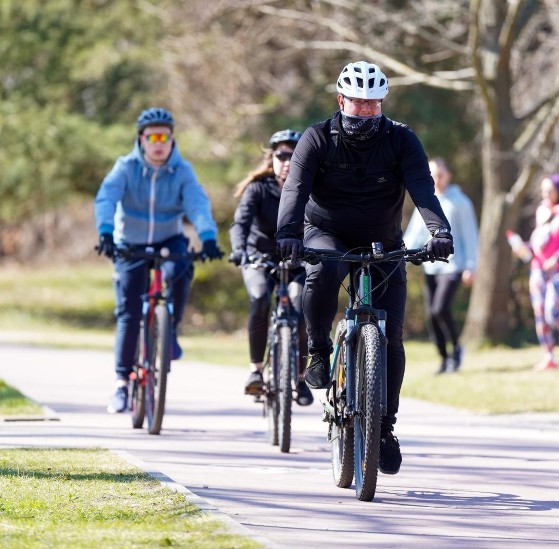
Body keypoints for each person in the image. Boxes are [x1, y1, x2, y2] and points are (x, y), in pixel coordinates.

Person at [275, 61, 454, 475]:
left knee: (391, 336)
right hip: (325, 231)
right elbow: (296, 187)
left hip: (382, 240)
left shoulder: (402, 140)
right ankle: (319, 350)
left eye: (374, 105)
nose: (366, 112)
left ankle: (384, 428)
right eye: (359, 103)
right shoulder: (316, 138)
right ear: (342, 101)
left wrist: (438, 231)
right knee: (324, 271)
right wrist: (288, 232)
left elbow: (422, 189)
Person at [95, 107, 223, 414]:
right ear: (141, 139)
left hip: (169, 239)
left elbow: (197, 203)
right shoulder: (125, 167)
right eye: (151, 136)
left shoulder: (182, 171)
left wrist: (207, 237)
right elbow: (106, 198)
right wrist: (106, 233)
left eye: (164, 136)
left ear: (171, 138)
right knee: (128, 314)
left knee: (181, 267)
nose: (158, 142)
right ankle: (122, 385)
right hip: (131, 242)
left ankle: (171, 330)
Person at [228, 129, 313, 407]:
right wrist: (239, 250)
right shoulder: (258, 189)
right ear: (272, 158)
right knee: (260, 297)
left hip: (297, 260)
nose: (288, 160)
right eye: (282, 155)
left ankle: (300, 378)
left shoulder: (311, 188)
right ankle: (255, 371)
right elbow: (240, 224)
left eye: (294, 155)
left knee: (302, 309)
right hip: (258, 258)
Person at [507, 173, 559, 371]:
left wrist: (557, 258)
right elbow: (539, 243)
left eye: (549, 190)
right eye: (543, 190)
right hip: (538, 269)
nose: (545, 193)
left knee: (552, 312)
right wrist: (523, 248)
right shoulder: (541, 212)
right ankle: (549, 356)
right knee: (539, 314)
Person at [404, 157, 479, 374]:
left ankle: (456, 349)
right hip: (431, 267)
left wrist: (471, 266)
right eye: (433, 175)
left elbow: (470, 236)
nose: (437, 179)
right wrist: (401, 256)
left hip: (453, 266)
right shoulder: (428, 200)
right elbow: (415, 233)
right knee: (431, 314)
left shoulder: (460, 202)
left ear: (448, 175)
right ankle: (445, 358)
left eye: (440, 174)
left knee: (440, 308)